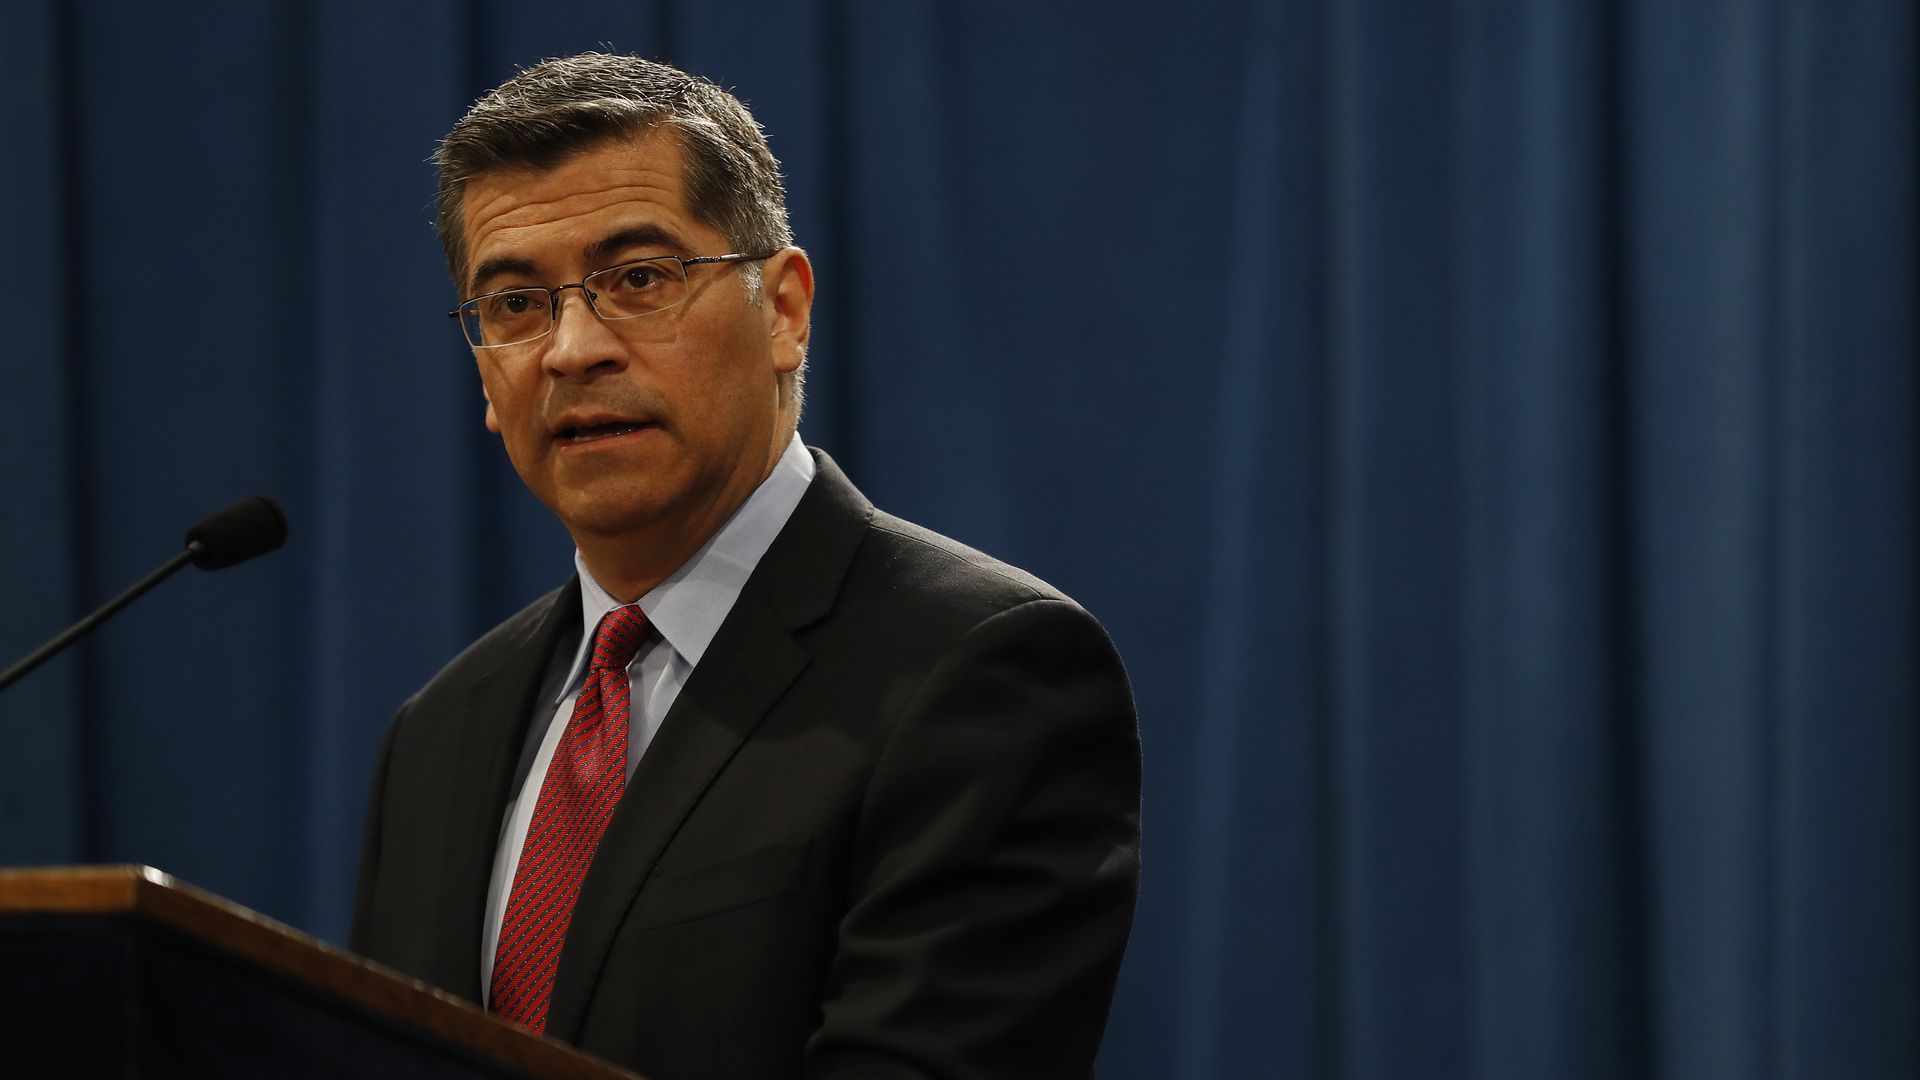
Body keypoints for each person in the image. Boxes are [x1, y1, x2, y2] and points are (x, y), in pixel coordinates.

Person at [349, 52, 1140, 1080]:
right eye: (513, 306)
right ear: (486, 380)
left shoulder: (981, 671)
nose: (571, 348)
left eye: (638, 279)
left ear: (785, 310)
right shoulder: (438, 733)